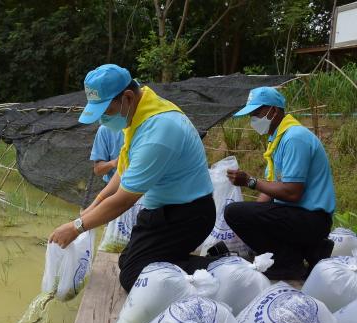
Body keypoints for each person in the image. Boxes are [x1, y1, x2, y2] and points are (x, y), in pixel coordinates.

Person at [49, 64, 216, 292]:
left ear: (127, 97)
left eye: (105, 112)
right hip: (163, 209)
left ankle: (221, 267)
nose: (102, 121)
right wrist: (94, 205)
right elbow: (124, 171)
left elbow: (124, 200)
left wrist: (77, 227)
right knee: (126, 262)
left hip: (188, 215)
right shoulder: (138, 115)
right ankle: (179, 261)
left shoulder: (159, 130)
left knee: (133, 276)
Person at [224, 86, 336, 279]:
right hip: (297, 216)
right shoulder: (278, 138)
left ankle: (287, 263)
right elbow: (273, 185)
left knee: (234, 212)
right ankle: (307, 250)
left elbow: (292, 193)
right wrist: (252, 215)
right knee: (240, 213)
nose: (253, 120)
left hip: (311, 218)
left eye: (256, 114)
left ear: (273, 111)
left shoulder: (294, 138)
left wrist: (250, 181)